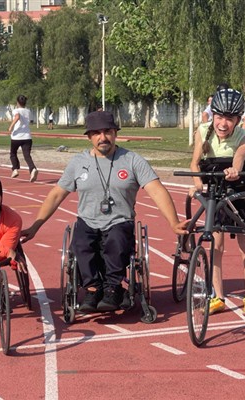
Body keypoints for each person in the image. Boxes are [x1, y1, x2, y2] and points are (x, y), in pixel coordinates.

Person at [21, 111, 187, 312]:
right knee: (80, 243)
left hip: (119, 221)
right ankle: (92, 289)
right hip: (87, 221)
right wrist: (36, 226)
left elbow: (157, 190)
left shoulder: (132, 160)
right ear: (89, 137)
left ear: (115, 133)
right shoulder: (78, 163)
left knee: (116, 241)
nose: (103, 137)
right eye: (96, 133)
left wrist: (174, 223)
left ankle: (112, 288)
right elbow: (56, 195)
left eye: (107, 131)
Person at [189, 88, 245, 316]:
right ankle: (218, 297)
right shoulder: (202, 131)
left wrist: (234, 170)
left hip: (239, 193)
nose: (223, 123)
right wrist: (198, 183)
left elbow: (239, 158)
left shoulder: (244, 137)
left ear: (238, 119)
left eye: (229, 118)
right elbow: (194, 162)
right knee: (216, 247)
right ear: (213, 115)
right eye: (219, 117)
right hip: (215, 193)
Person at [8, 94, 38, 183]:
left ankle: (15, 169)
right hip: (27, 137)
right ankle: (33, 169)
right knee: (27, 155)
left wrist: (11, 126)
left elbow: (17, 117)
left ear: (17, 102)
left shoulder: (16, 110)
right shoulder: (28, 111)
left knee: (13, 153)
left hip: (16, 137)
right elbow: (30, 121)